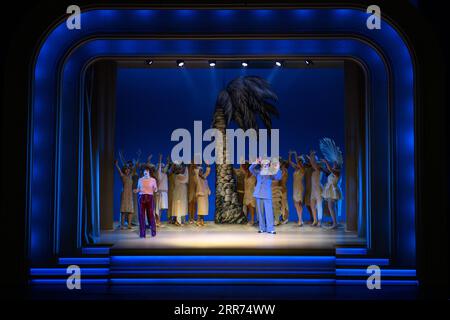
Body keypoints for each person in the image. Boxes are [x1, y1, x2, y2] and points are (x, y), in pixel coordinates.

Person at [249, 158, 282, 234]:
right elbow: (250, 168)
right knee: (260, 212)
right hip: (258, 194)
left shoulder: (271, 173)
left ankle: (270, 229)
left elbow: (278, 177)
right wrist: (256, 162)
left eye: (267, 163)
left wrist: (278, 168)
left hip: (266, 194)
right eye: (263, 163)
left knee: (269, 212)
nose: (265, 164)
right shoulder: (258, 171)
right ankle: (262, 228)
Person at [134, 165, 158, 238]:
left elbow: (155, 189)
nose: (146, 172)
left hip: (150, 198)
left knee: (150, 215)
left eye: (147, 171)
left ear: (149, 172)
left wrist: (155, 189)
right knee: (141, 215)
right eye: (144, 171)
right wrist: (136, 190)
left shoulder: (153, 180)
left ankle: (153, 232)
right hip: (141, 198)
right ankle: (142, 233)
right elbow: (138, 188)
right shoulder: (140, 179)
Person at [114, 160, 134, 230]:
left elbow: (135, 167)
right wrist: (116, 165)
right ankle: (122, 225)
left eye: (128, 169)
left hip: (130, 195)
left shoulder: (131, 176)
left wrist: (137, 160)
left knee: (130, 211)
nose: (127, 170)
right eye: (126, 169)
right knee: (123, 210)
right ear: (124, 170)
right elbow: (119, 171)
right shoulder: (123, 176)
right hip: (125, 194)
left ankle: (129, 225)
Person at [289, 151, 306, 226]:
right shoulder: (296, 169)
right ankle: (300, 219)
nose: (298, 163)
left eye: (300, 162)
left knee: (299, 203)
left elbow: (298, 163)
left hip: (299, 187)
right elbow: (290, 162)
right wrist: (290, 155)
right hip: (295, 187)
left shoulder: (302, 169)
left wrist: (296, 155)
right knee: (296, 203)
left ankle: (300, 220)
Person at [309, 150, 324, 226]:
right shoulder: (314, 170)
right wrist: (311, 156)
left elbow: (313, 163)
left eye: (314, 160)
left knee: (319, 205)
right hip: (313, 189)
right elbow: (312, 163)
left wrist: (312, 155)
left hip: (318, 188)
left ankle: (319, 221)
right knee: (312, 204)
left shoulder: (319, 168)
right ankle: (315, 220)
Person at [155, 154, 169, 227]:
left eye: (164, 167)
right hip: (160, 192)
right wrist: (160, 159)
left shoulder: (165, 174)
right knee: (158, 208)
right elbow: (159, 168)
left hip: (164, 193)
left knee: (161, 208)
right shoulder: (159, 174)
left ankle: (158, 220)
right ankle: (157, 220)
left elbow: (167, 167)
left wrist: (168, 162)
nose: (163, 168)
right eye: (162, 167)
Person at [195, 162, 211, 226]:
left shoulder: (204, 177)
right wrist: (197, 166)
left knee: (204, 209)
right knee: (200, 209)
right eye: (200, 171)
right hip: (200, 195)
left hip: (205, 195)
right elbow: (196, 173)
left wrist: (208, 166)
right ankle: (198, 221)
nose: (201, 172)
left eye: (202, 171)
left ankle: (202, 220)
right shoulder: (197, 178)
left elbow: (207, 173)